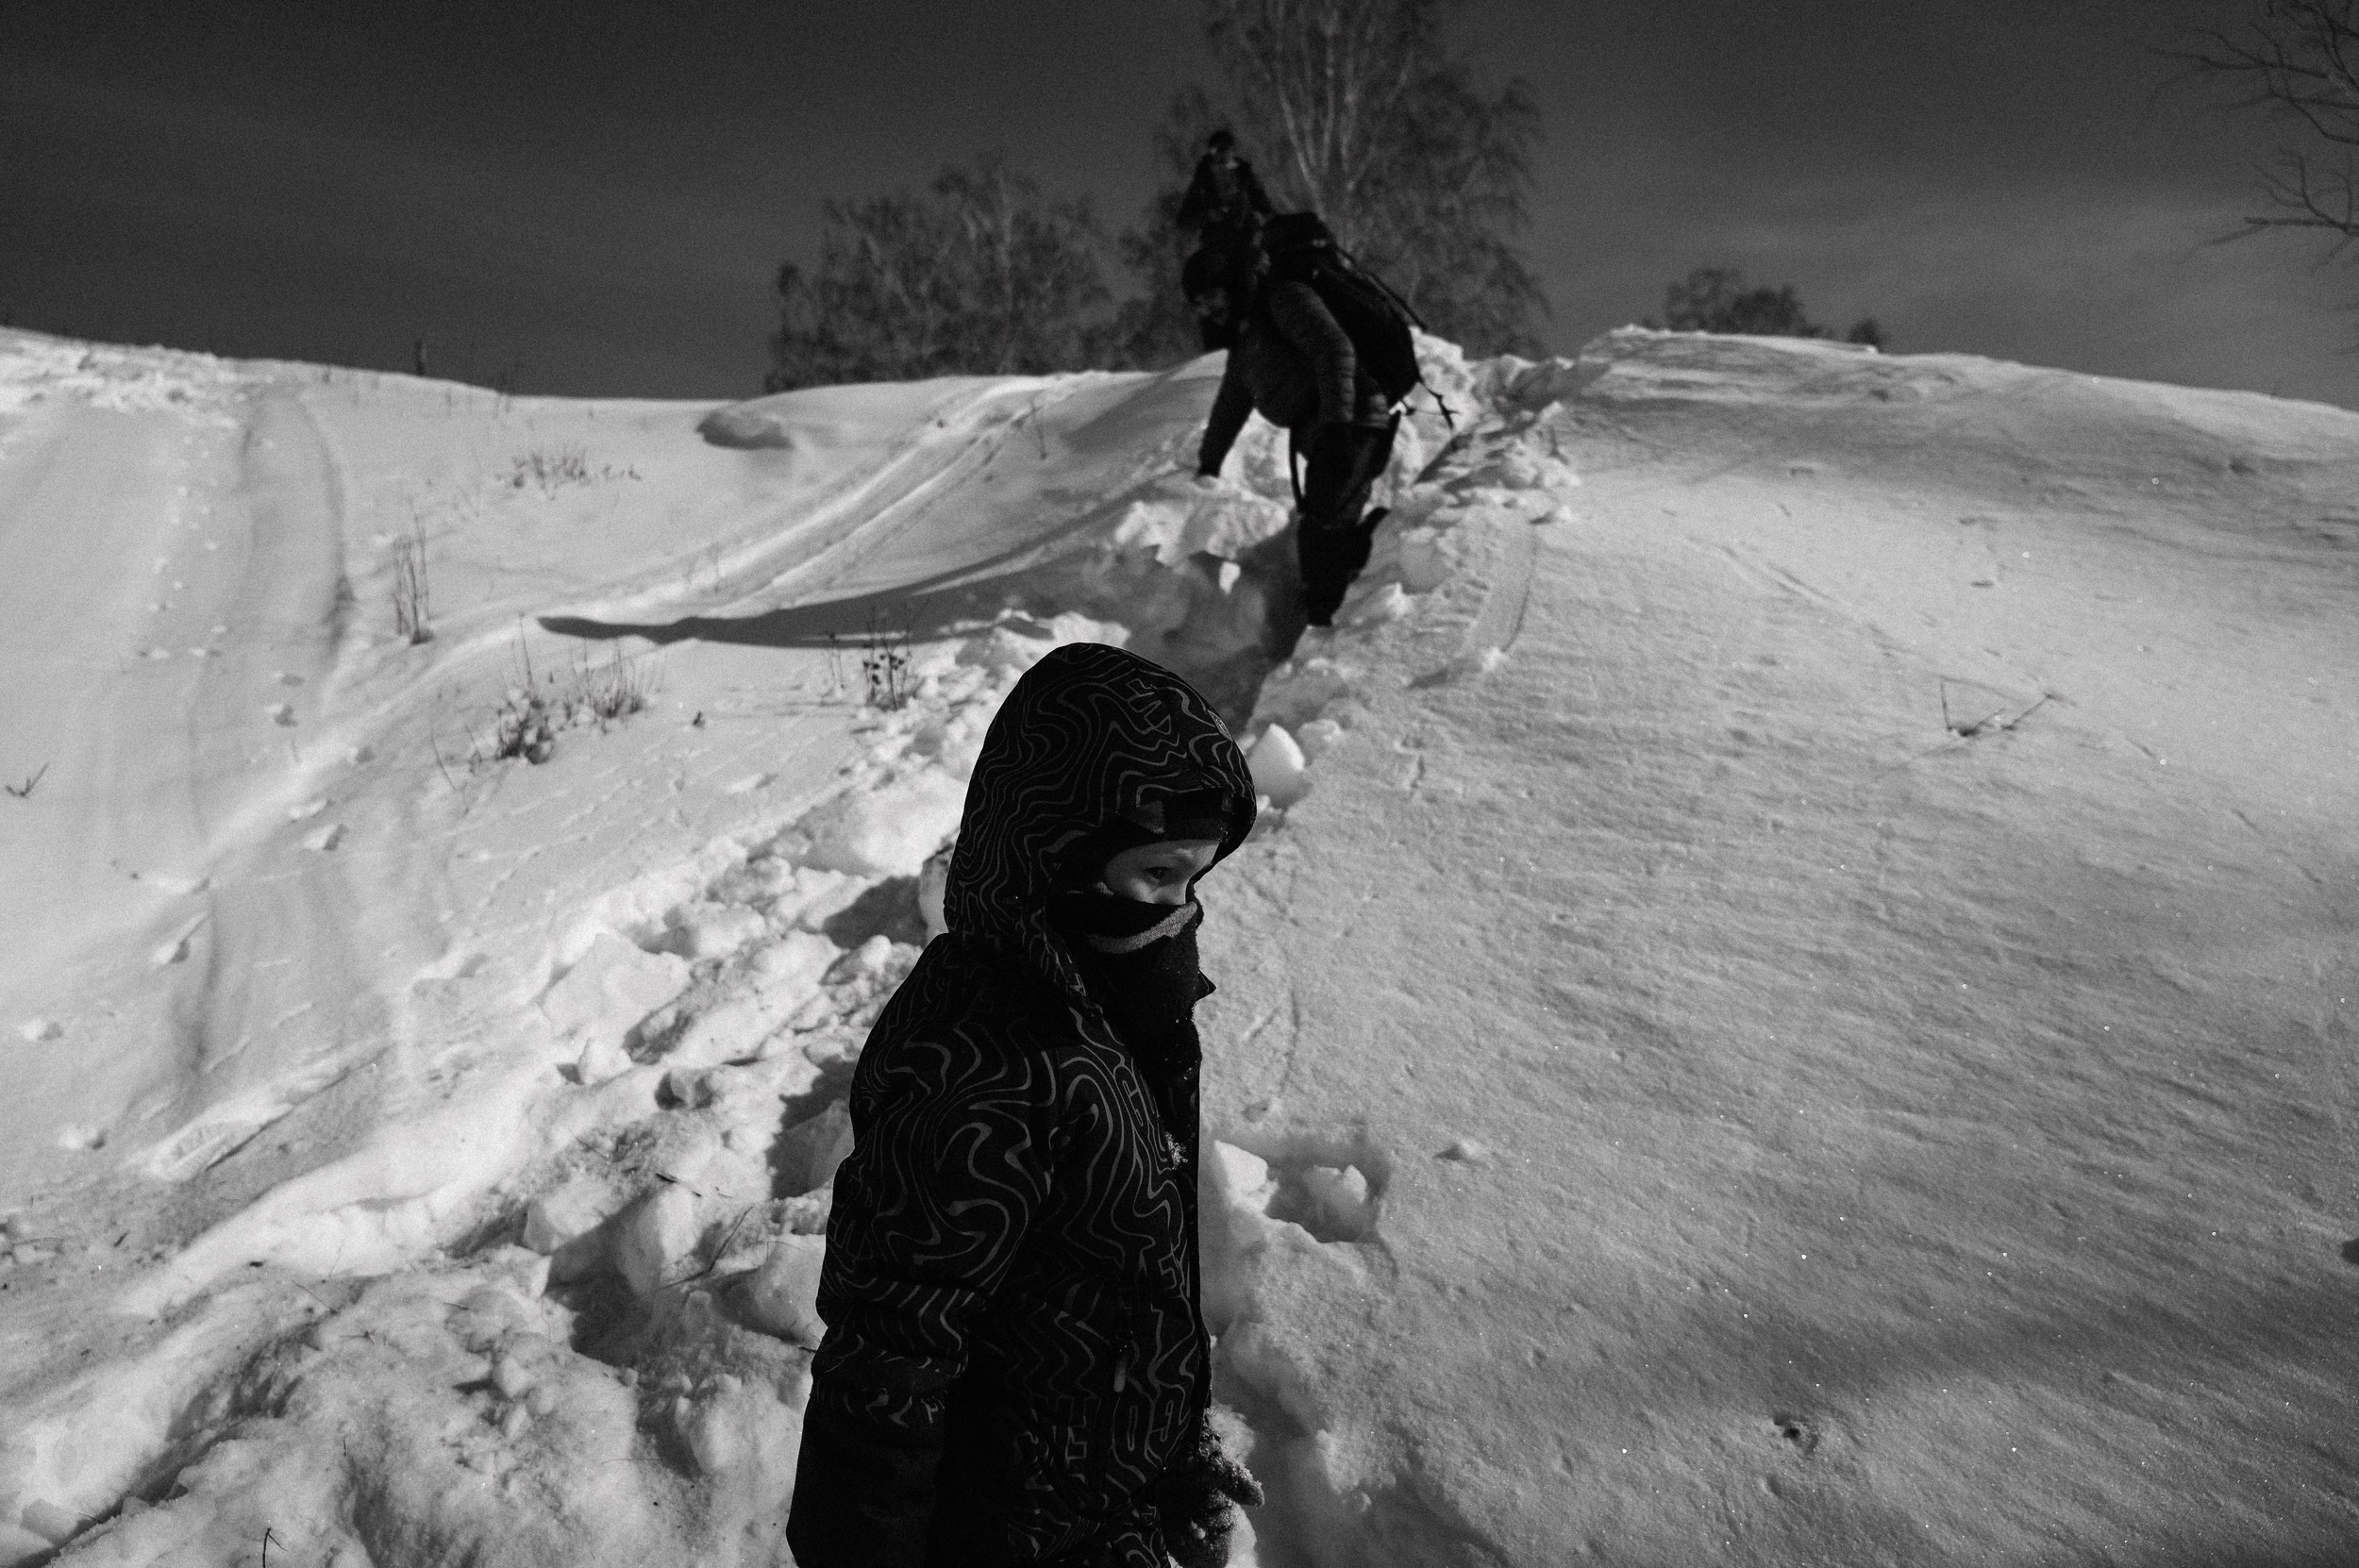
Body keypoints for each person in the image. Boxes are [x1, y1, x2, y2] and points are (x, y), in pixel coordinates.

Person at [788, 642, 1263, 1568]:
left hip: (1107, 1495)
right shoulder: (980, 1068)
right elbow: (890, 1362)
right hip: (1019, 1533)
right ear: (1056, 856)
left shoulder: (1108, 997)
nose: (1177, 913)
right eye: (1156, 877)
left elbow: (1132, 1273)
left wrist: (1170, 1444)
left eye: (1192, 881)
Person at [1190, 245, 1398, 628]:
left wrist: (1337, 426)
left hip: (1353, 421)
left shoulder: (1283, 299)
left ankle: (1327, 630)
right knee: (1323, 532)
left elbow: (1334, 349)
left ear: (1232, 284)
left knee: (1323, 534)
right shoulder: (1245, 344)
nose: (1207, 311)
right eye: (1199, 305)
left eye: (1211, 296)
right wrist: (1209, 463)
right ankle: (1381, 549)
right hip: (1327, 434)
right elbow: (1228, 409)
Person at [1174, 128, 1274, 254]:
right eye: (1215, 149)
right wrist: (1208, 216)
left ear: (1232, 151)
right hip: (1215, 245)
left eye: (1224, 148)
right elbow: (1184, 221)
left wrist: (1257, 217)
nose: (1221, 154)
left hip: (1247, 241)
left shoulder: (1246, 177)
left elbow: (1267, 211)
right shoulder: (1202, 183)